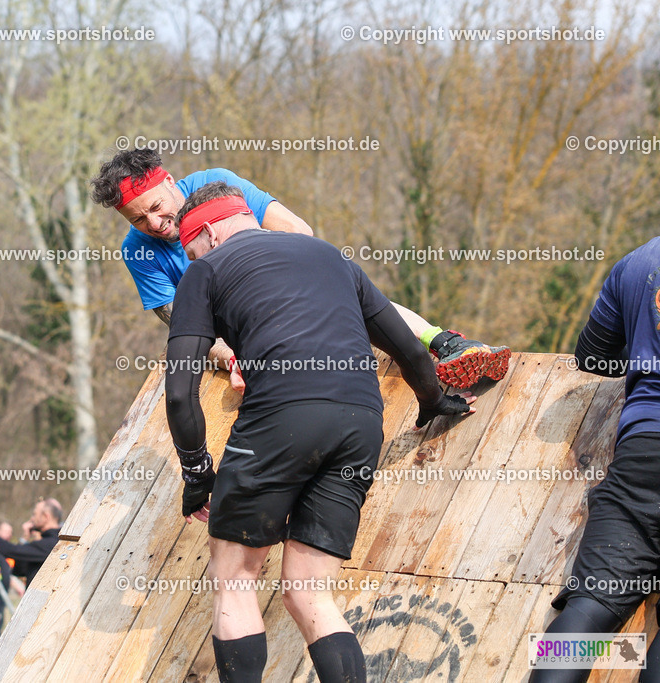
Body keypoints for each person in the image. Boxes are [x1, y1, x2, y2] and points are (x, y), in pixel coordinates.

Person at [164, 182, 475, 682]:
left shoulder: (206, 271)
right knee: (309, 593)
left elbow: (181, 393)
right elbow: (410, 349)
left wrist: (198, 475)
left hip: (279, 418)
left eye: (190, 249)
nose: (192, 260)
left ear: (210, 233)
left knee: (235, 582)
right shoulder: (332, 257)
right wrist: (434, 401)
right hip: (360, 424)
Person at [90, 148, 510, 389]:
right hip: (233, 330)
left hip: (283, 286)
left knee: (347, 290)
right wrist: (232, 357)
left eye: (156, 208)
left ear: (169, 182)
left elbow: (298, 231)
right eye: (138, 220)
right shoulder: (136, 251)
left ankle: (447, 343)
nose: (154, 224)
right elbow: (182, 323)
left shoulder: (215, 182)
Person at [531, 237, 660, 683]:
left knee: (588, 609)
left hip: (641, 455)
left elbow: (592, 356)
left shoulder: (638, 261)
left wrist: (643, 358)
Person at [0, 499, 62, 584]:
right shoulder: (50, 542)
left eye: (34, 514)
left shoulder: (52, 544)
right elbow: (19, 570)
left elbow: (11, 550)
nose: (32, 519)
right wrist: (24, 539)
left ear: (46, 517)